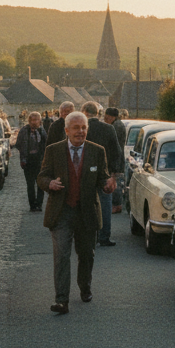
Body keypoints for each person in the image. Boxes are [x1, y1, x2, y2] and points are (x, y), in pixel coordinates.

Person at [37, 111, 116, 314]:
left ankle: (85, 287)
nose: (80, 132)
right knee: (62, 255)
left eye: (83, 128)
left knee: (86, 254)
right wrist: (50, 183)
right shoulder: (54, 150)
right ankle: (61, 300)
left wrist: (108, 185)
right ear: (66, 130)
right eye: (76, 128)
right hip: (61, 211)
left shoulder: (97, 151)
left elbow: (103, 179)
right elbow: (42, 177)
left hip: (87, 211)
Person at [82, 101, 122, 246]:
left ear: (84, 112)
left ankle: (88, 236)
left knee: (85, 205)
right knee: (105, 205)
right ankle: (104, 236)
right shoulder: (109, 128)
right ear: (98, 113)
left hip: (84, 173)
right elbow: (117, 152)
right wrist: (113, 175)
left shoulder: (81, 129)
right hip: (104, 173)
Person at [16, 111, 48, 211]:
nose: (34, 122)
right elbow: (18, 144)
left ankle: (39, 204)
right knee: (30, 184)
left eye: (36, 120)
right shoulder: (24, 130)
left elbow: (47, 144)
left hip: (40, 161)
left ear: (40, 121)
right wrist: (24, 154)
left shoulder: (42, 131)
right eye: (32, 120)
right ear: (29, 121)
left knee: (40, 184)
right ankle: (32, 205)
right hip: (28, 161)